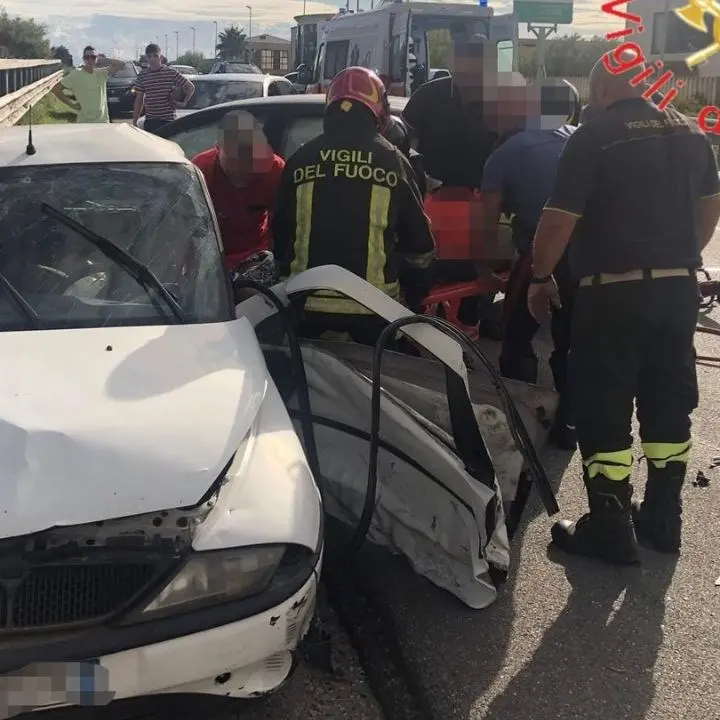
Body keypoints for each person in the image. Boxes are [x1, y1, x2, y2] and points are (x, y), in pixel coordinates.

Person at [528, 53, 720, 564]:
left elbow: (557, 221)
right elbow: (708, 212)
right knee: (668, 404)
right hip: (677, 292)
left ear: (603, 91)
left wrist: (542, 278)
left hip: (611, 294)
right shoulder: (692, 135)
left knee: (604, 406)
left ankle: (610, 527)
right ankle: (662, 519)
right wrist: (678, 261)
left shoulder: (595, 136)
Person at [271, 66, 436, 345]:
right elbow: (419, 243)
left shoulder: (301, 159)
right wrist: (418, 289)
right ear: (378, 110)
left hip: (305, 308)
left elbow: (281, 234)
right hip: (375, 311)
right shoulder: (392, 161)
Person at [480, 86, 581, 451]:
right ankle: (569, 425)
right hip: (587, 258)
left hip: (539, 257)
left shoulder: (508, 152)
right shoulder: (583, 142)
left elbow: (487, 222)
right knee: (571, 342)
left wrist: (486, 271)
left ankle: (519, 423)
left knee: (518, 335)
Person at [401, 33, 500, 189]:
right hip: (432, 195)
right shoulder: (428, 95)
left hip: (486, 198)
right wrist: (419, 177)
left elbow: (516, 154)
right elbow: (404, 142)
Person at [192, 111, 285, 270]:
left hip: (256, 256)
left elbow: (285, 224)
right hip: (211, 258)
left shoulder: (275, 170)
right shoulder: (200, 170)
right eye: (233, 162)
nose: (241, 170)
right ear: (218, 148)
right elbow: (187, 227)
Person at [132, 43, 195, 134]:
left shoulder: (171, 73)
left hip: (168, 121)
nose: (152, 59)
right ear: (147, 58)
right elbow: (139, 99)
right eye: (149, 56)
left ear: (161, 57)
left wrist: (183, 102)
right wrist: (135, 121)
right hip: (151, 120)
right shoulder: (143, 75)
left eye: (155, 56)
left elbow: (190, 87)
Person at [52, 47, 125, 123]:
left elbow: (121, 64)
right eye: (87, 57)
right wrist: (72, 105)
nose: (90, 60)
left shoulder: (102, 73)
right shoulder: (76, 74)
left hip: (103, 121)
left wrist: (102, 59)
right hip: (84, 122)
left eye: (93, 57)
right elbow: (56, 89)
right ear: (83, 59)